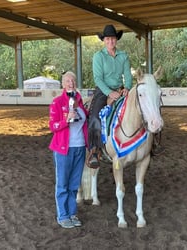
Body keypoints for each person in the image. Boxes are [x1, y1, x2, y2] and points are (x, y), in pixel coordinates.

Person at [87, 24, 133, 167]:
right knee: (95, 116)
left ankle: (150, 144)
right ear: (104, 40)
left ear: (116, 40)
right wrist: (109, 92)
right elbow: (98, 79)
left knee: (140, 109)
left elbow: (128, 75)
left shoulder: (123, 56)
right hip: (103, 90)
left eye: (113, 38)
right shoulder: (98, 56)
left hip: (120, 90)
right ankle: (95, 150)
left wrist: (127, 87)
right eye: (107, 39)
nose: (110, 41)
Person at [48, 71, 88, 228]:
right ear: (63, 84)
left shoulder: (79, 101)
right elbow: (53, 126)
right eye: (67, 81)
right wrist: (65, 120)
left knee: (74, 184)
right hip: (63, 149)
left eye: (73, 80)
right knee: (62, 184)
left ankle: (72, 213)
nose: (70, 83)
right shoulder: (57, 102)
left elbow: (84, 123)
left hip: (79, 148)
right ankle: (63, 215)